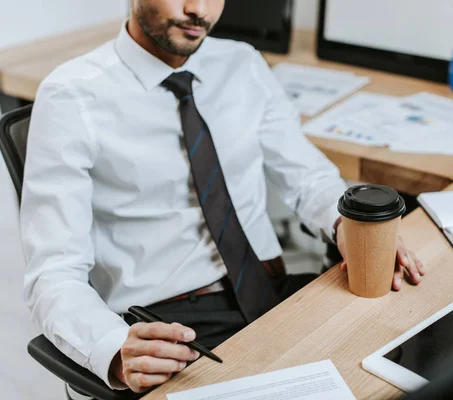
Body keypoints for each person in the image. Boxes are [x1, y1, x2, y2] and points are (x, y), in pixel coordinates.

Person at [21, 0, 425, 394]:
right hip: (171, 324)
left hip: (274, 293)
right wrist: (111, 349)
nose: (201, 9)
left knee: (413, 359)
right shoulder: (70, 97)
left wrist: (346, 224)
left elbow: (307, 176)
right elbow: (54, 274)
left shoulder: (243, 64)